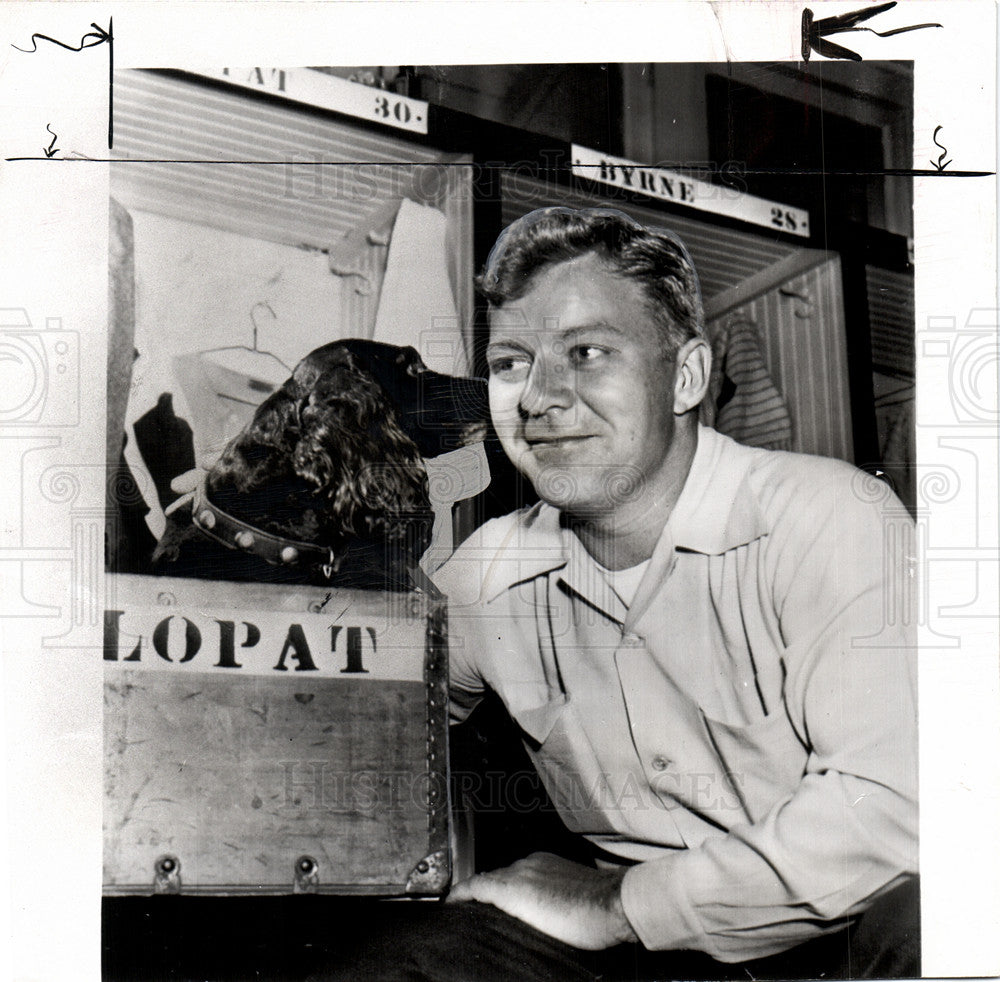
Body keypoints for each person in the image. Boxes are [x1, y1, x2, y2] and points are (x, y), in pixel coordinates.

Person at [309, 207, 919, 982]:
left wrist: (617, 904)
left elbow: (895, 814)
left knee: (931, 928)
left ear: (687, 377)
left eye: (587, 352)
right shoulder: (491, 568)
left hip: (843, 933)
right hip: (645, 953)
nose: (537, 398)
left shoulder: (829, 517)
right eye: (509, 363)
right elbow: (353, 706)